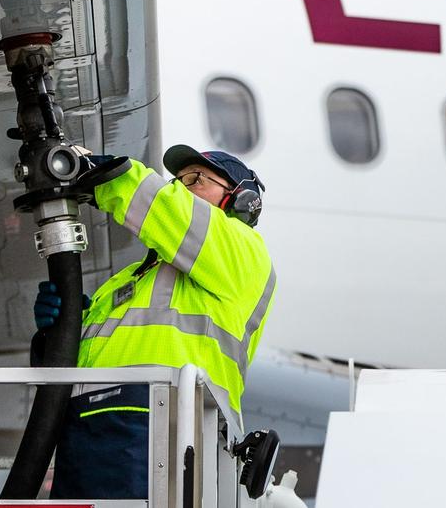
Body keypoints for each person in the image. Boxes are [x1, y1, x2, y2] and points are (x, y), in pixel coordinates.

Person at [32, 144, 276, 499]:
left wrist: (106, 174)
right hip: (90, 440)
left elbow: (171, 211)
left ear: (241, 201)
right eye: (177, 180)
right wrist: (56, 333)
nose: (180, 187)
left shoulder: (245, 254)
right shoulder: (126, 280)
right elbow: (69, 373)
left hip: (167, 431)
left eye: (196, 179)